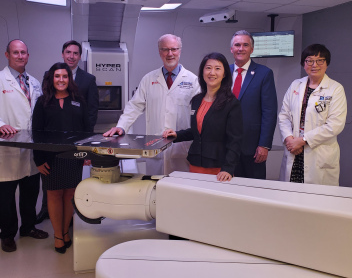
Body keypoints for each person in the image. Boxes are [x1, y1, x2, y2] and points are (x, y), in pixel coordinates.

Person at [0, 39, 48, 253]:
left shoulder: (34, 82)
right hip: (8, 148)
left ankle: (28, 227)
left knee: (30, 192)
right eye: (15, 52)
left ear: (28, 55)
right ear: (7, 55)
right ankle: (7, 235)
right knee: (6, 197)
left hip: (31, 149)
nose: (20, 56)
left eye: (23, 52)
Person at [104, 34, 200, 175]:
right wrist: (121, 126)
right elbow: (134, 106)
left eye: (174, 49)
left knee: (180, 192)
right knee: (154, 190)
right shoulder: (148, 79)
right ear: (159, 51)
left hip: (181, 149)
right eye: (165, 49)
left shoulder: (193, 81)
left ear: (180, 50)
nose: (170, 53)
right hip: (155, 147)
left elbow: (200, 114)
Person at [32, 62, 93, 253]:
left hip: (73, 156)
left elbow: (86, 130)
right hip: (50, 158)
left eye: (65, 76)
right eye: (57, 76)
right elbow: (36, 133)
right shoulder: (43, 102)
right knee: (54, 194)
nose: (61, 80)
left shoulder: (78, 101)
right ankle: (58, 235)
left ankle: (66, 232)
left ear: (69, 79)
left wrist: (86, 153)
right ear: (52, 78)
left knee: (69, 195)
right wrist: (38, 160)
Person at [36, 40, 98, 224]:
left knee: (71, 188)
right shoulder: (49, 75)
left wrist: (85, 144)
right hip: (51, 146)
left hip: (74, 144)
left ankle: (68, 219)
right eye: (68, 52)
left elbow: (91, 113)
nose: (71, 56)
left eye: (75, 53)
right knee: (50, 186)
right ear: (63, 54)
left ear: (80, 56)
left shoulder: (88, 80)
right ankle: (46, 210)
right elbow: (45, 109)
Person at [163, 52, 242, 181]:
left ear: (224, 74)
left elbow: (235, 140)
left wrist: (228, 168)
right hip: (195, 164)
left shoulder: (231, 103)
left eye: (217, 68)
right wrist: (177, 135)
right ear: (202, 72)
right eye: (208, 68)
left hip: (218, 168)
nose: (212, 72)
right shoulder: (197, 100)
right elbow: (199, 131)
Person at [278, 44, 347, 185]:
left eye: (320, 60)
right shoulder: (295, 85)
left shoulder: (335, 89)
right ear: (304, 64)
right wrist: (289, 139)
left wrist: (302, 140)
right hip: (295, 151)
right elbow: (283, 116)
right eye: (309, 60)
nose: (314, 65)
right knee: (290, 196)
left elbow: (335, 125)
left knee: (316, 200)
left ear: (327, 63)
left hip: (317, 153)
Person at [230, 30, 277, 179]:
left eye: (245, 45)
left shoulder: (264, 73)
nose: (241, 48)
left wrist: (264, 145)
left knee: (254, 190)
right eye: (237, 45)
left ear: (252, 49)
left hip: (252, 147)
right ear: (231, 49)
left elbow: (269, 112)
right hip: (227, 146)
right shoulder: (223, 72)